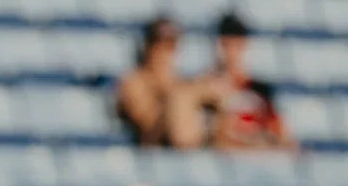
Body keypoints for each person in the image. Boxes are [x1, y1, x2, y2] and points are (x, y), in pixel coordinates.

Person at [201, 11, 294, 151]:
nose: (230, 53)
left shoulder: (260, 90)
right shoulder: (204, 91)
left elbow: (284, 139)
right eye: (225, 45)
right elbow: (211, 140)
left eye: (236, 45)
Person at [115, 16, 205, 149]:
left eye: (171, 47)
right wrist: (176, 98)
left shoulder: (181, 82)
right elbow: (148, 125)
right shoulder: (134, 81)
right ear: (148, 48)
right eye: (160, 46)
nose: (165, 54)